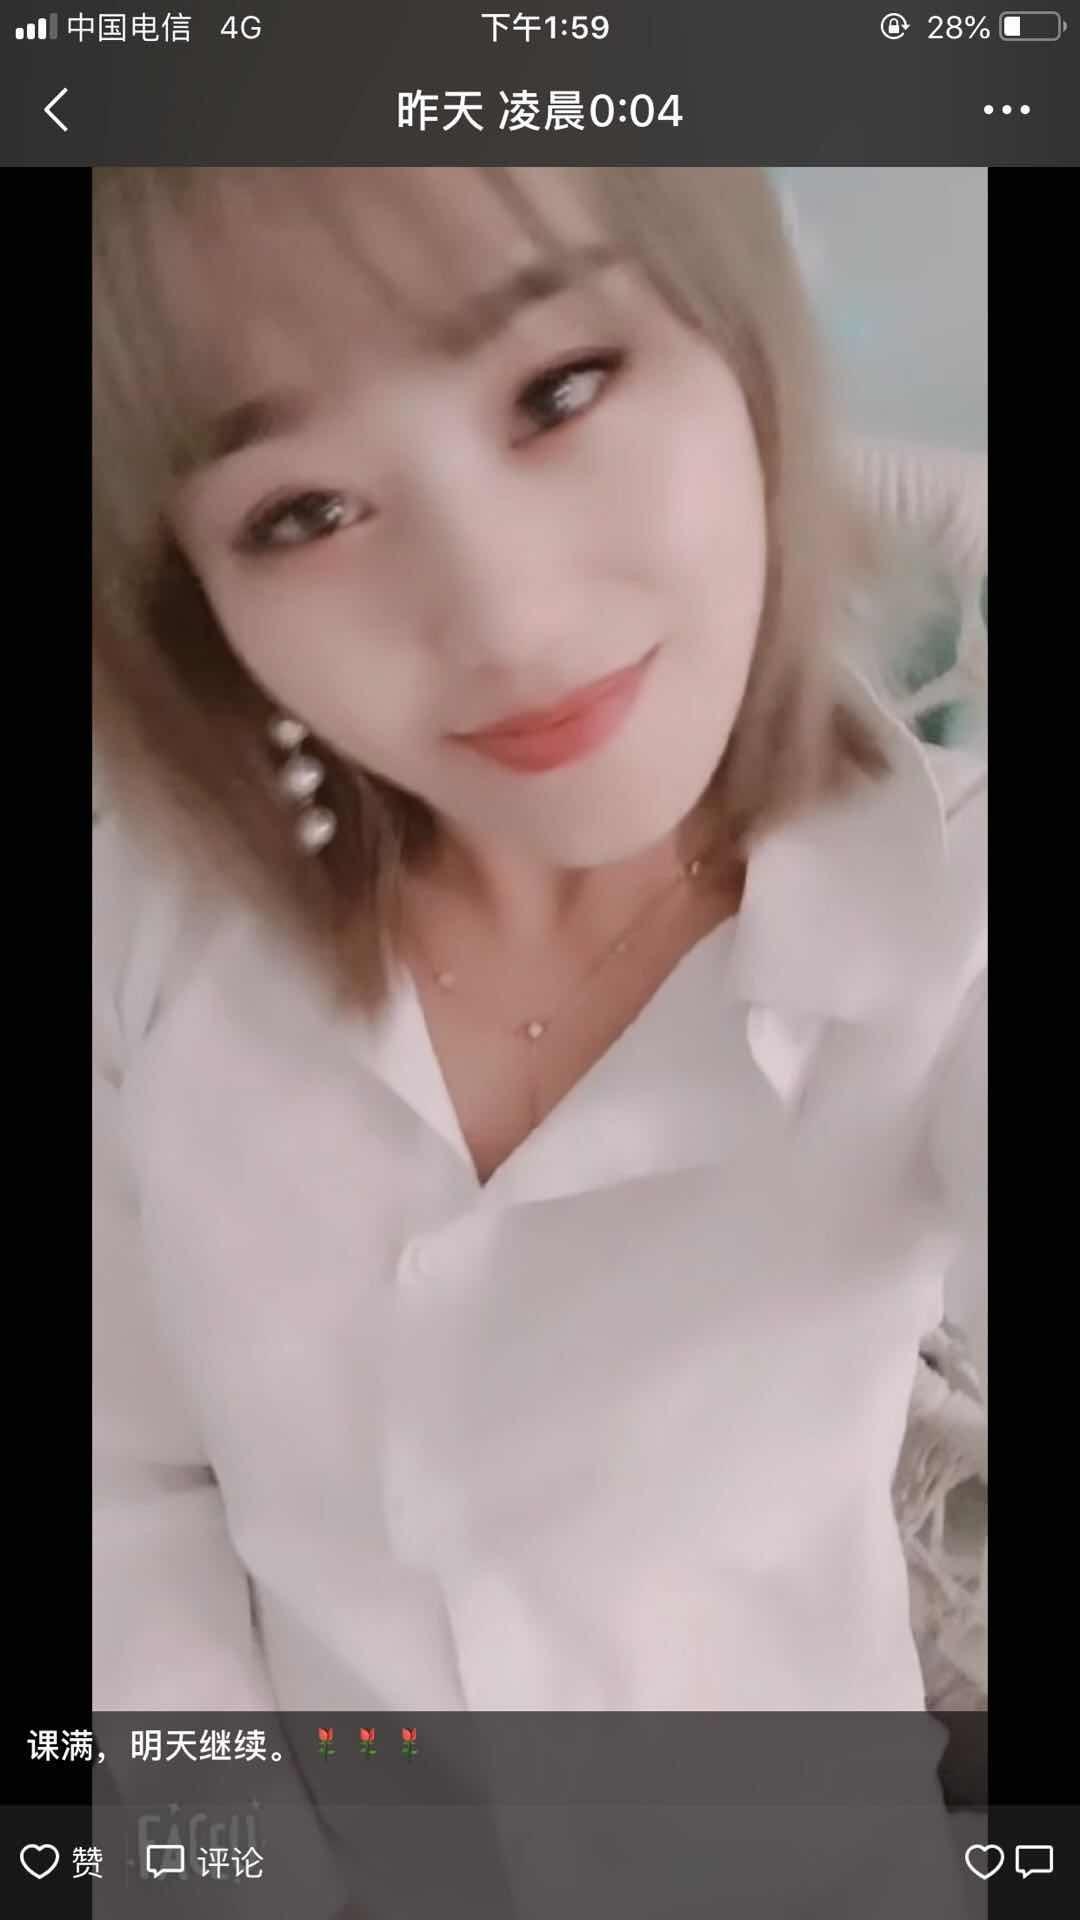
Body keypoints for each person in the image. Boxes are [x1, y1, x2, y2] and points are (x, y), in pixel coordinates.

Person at [93, 168, 986, 1734]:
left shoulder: (945, 914)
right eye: (302, 513)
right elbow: (124, 1488)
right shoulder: (151, 934)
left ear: (744, 352)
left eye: (560, 391)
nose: (503, 618)